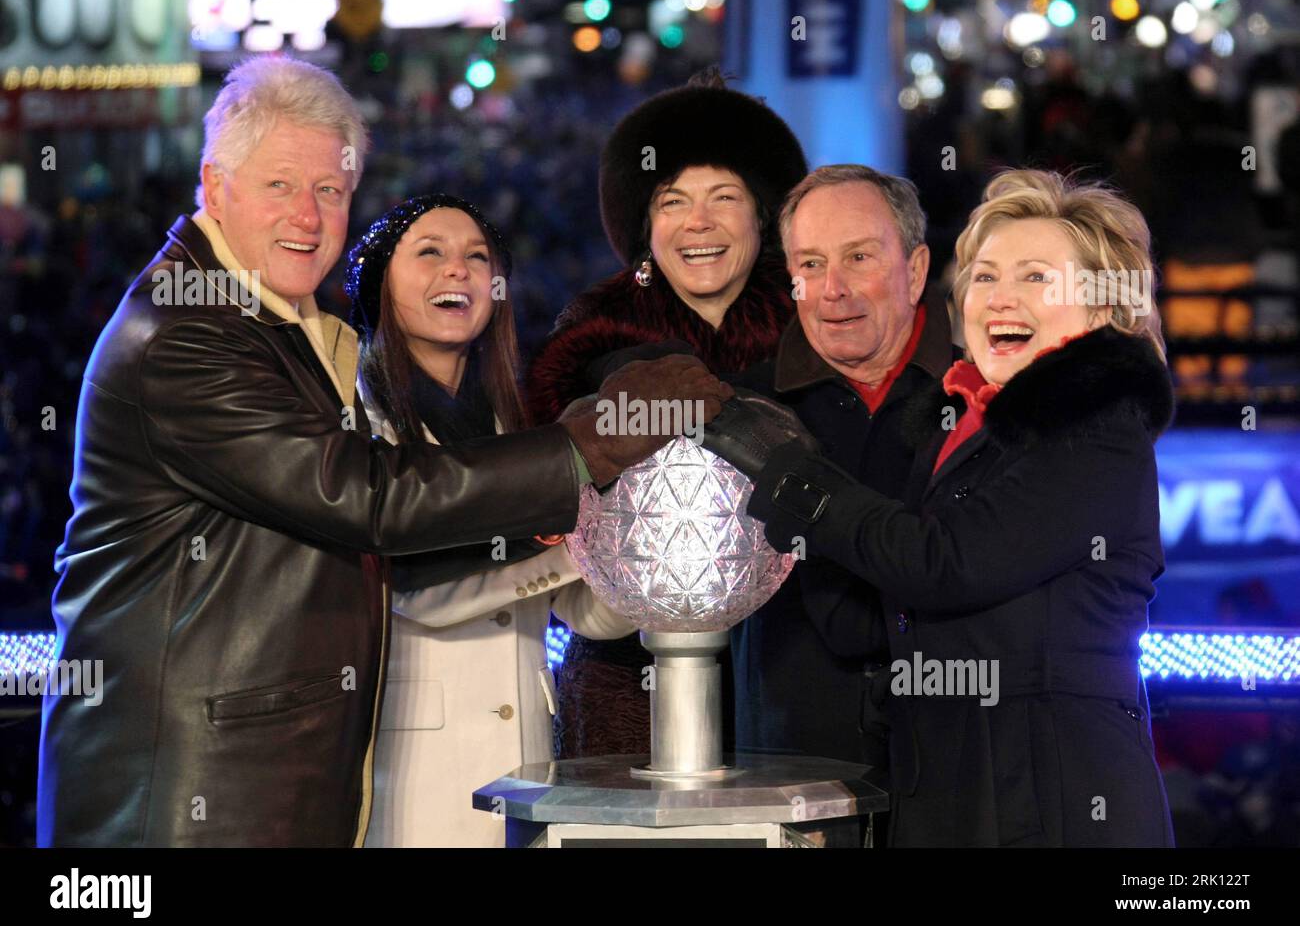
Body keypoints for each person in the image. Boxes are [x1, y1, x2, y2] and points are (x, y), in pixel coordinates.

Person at [37, 57, 729, 846]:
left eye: (329, 191)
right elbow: (371, 500)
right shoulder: (189, 334)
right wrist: (587, 447)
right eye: (279, 186)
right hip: (193, 797)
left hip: (269, 783)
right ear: (214, 184)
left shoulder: (283, 331)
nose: (308, 214)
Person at [708, 170, 1176, 846]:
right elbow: (870, 612)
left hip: (1055, 806)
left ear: (1102, 308)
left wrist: (795, 479)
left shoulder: (1098, 426)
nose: (1001, 299)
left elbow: (947, 562)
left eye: (1036, 277)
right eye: (986, 277)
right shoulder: (961, 431)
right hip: (945, 797)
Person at [526, 67, 807, 759]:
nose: (698, 223)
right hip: (628, 675)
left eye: (724, 197)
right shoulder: (588, 339)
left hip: (797, 660)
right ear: (644, 226)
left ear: (762, 214)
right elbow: (547, 511)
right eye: (672, 201)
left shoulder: (816, 328)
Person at [345, 194, 639, 846]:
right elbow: (412, 588)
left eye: (478, 257)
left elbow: (584, 613)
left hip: (527, 764)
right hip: (414, 774)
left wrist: (640, 550)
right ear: (379, 282)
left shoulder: (513, 422)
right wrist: (569, 532)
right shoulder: (354, 425)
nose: (460, 270)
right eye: (430, 253)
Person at [729, 165, 956, 769]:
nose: (833, 289)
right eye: (810, 264)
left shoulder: (984, 398)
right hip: (787, 773)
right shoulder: (740, 413)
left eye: (859, 258)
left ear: (915, 271)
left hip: (958, 776)